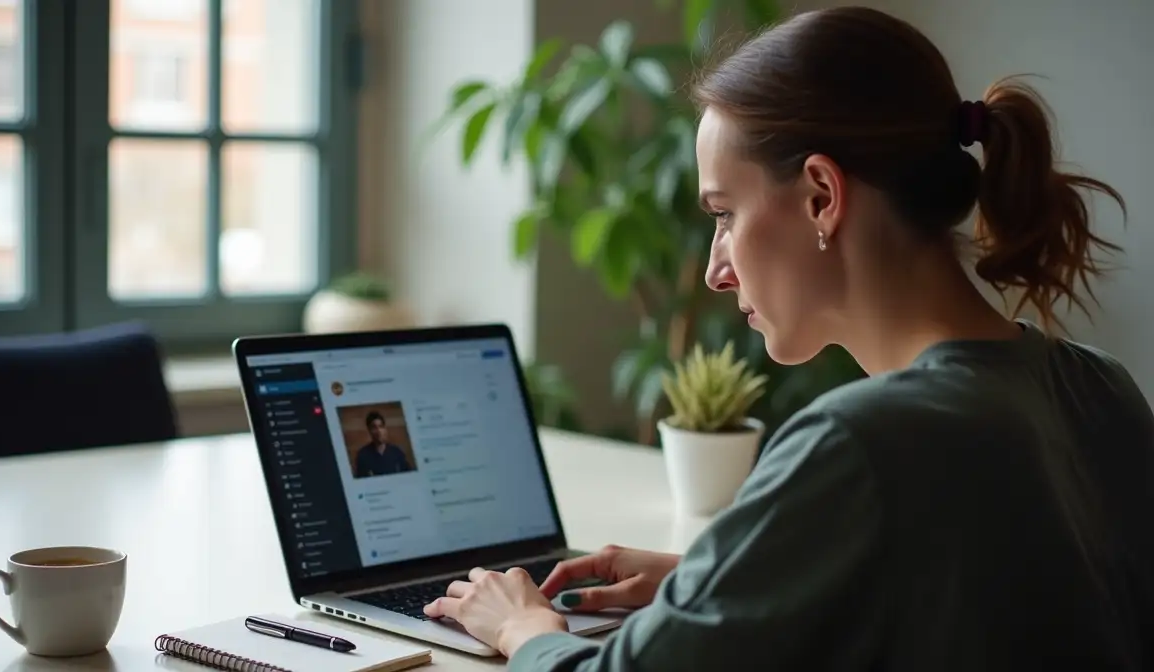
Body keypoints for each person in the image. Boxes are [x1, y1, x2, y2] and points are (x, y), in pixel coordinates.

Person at [422, 6, 1154, 670]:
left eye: (726, 214)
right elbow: (996, 600)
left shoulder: (858, 441)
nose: (714, 270)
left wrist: (523, 626)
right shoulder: (1100, 386)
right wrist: (719, 582)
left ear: (821, 197)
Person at [353, 411, 412, 477]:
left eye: (381, 426)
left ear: (385, 429)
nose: (379, 431)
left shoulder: (397, 453)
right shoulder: (363, 456)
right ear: (369, 431)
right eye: (374, 427)